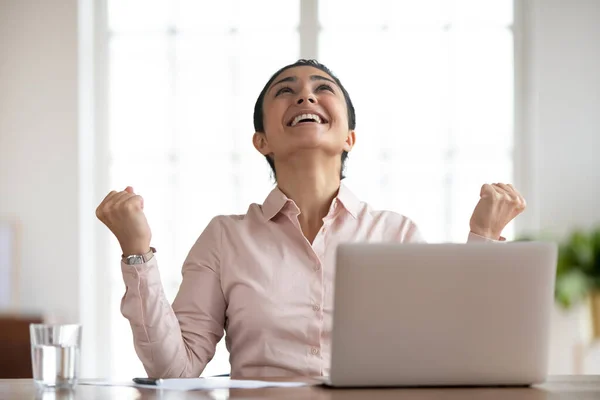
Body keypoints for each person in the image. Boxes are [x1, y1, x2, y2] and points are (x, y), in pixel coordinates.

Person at [96, 59, 526, 379]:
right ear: (261, 140)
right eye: (286, 90)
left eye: (323, 88)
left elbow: (452, 357)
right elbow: (175, 372)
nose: (305, 96)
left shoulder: (397, 234)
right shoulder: (224, 237)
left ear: (349, 138)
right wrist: (137, 254)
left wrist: (484, 237)